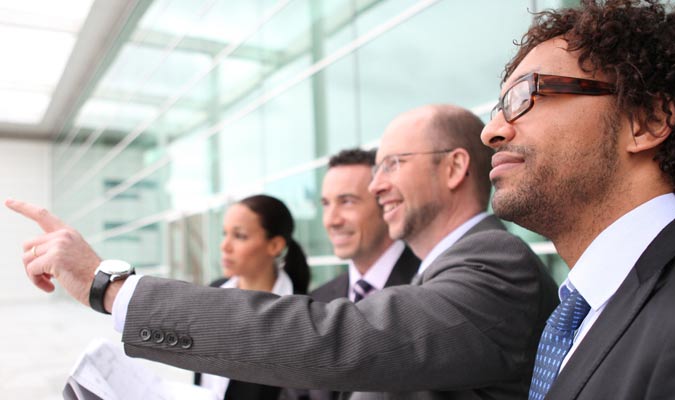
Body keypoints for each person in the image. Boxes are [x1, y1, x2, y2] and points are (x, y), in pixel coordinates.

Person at [7, 104, 558, 399]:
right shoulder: (447, 275)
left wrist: (112, 287)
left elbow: (340, 341)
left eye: (392, 164)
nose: (377, 185)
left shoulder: (495, 265)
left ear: (456, 167)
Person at [479, 1, 675, 399]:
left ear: (647, 121)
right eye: (499, 107)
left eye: (525, 95)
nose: (491, 131)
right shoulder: (580, 313)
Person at [300, 148, 419, 400]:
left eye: (347, 201)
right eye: (325, 204)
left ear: (386, 204)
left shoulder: (428, 287)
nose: (331, 220)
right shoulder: (317, 299)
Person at [194, 194, 310, 400]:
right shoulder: (213, 292)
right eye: (225, 234)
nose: (225, 246)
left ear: (274, 246)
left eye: (239, 236)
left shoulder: (301, 314)